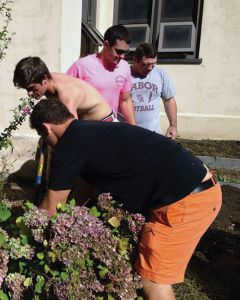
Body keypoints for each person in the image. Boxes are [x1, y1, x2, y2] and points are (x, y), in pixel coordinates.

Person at [29, 98, 221, 300]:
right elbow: (82, 193)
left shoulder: (69, 144)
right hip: (197, 188)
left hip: (186, 201)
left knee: (153, 280)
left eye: (43, 137)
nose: (47, 144)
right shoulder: (89, 132)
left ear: (46, 128)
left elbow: (50, 208)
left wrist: (30, 233)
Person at [67, 24, 136, 125]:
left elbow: (125, 101)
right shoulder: (82, 65)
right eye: (119, 51)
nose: (123, 56)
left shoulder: (124, 67)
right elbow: (65, 95)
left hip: (110, 129)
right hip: (87, 129)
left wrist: (134, 128)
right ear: (106, 44)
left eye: (126, 52)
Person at [13, 56, 115, 121]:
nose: (29, 94)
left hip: (106, 126)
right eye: (26, 89)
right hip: (92, 125)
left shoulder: (66, 93)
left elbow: (72, 132)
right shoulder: (49, 81)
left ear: (44, 79)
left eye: (32, 88)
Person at [131, 43, 178, 139]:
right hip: (128, 132)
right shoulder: (124, 74)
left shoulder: (160, 74)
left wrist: (173, 125)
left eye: (153, 64)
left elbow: (169, 100)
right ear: (135, 60)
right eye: (145, 64)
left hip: (153, 134)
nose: (150, 68)